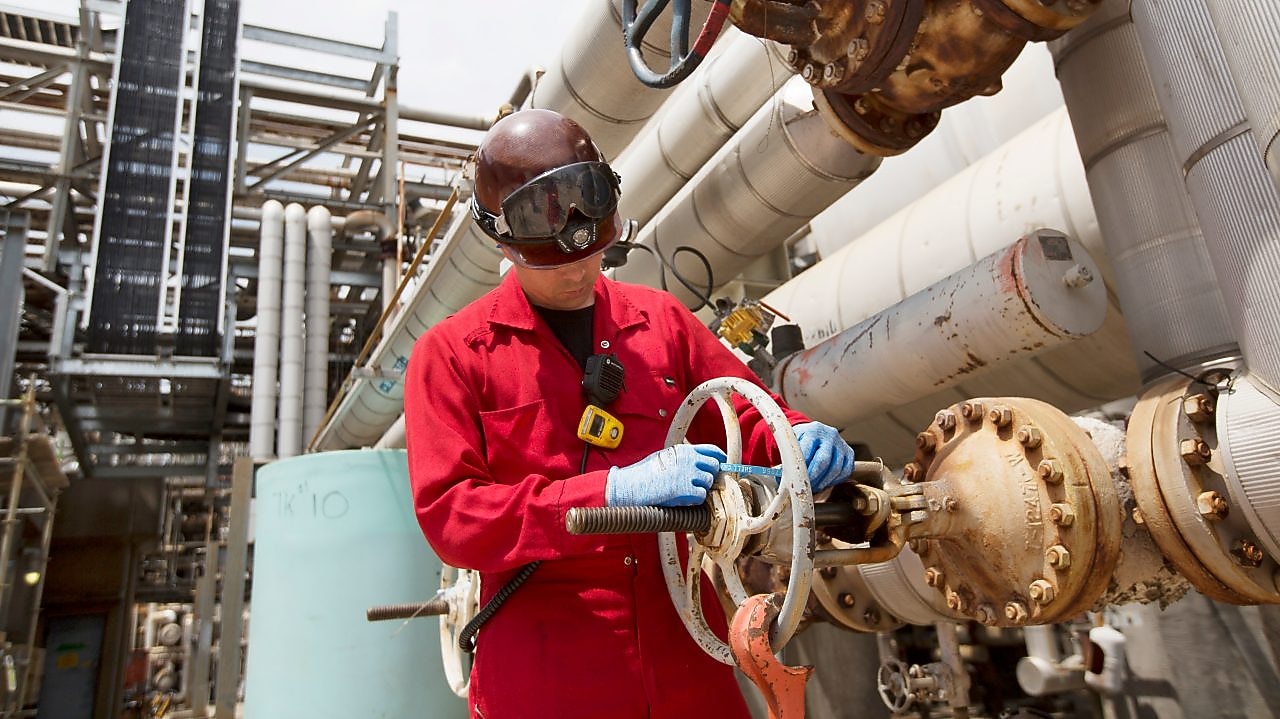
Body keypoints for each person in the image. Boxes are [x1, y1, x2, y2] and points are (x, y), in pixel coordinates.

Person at [403, 108, 856, 719]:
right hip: (546, 675)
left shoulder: (662, 323)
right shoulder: (454, 355)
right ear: (502, 241)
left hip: (686, 660)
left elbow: (748, 415)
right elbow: (452, 517)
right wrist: (610, 491)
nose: (578, 272)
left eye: (592, 257)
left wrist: (800, 438)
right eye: (555, 263)